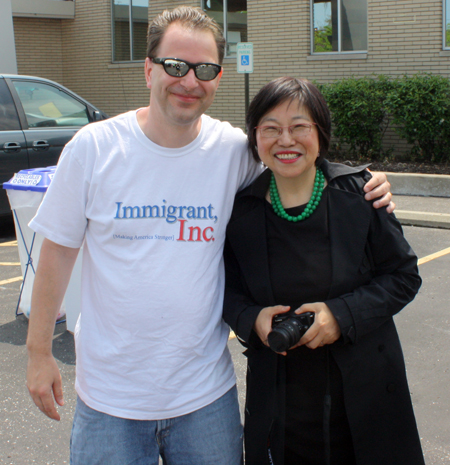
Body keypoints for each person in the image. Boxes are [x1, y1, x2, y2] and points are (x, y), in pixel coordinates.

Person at [25, 7, 393, 465]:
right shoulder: (94, 148)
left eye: (205, 69)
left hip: (204, 399)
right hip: (110, 402)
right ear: (148, 69)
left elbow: (296, 160)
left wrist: (364, 181)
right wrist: (39, 351)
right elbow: (57, 253)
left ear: (218, 76)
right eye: (175, 66)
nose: (189, 81)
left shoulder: (232, 152)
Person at [223, 77, 425, 465]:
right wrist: (252, 319)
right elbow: (226, 289)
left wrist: (341, 316)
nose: (286, 140)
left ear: (320, 133)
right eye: (271, 128)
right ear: (254, 137)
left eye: (300, 127)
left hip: (365, 397)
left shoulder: (359, 194)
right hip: (280, 404)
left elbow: (403, 275)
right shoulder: (241, 210)